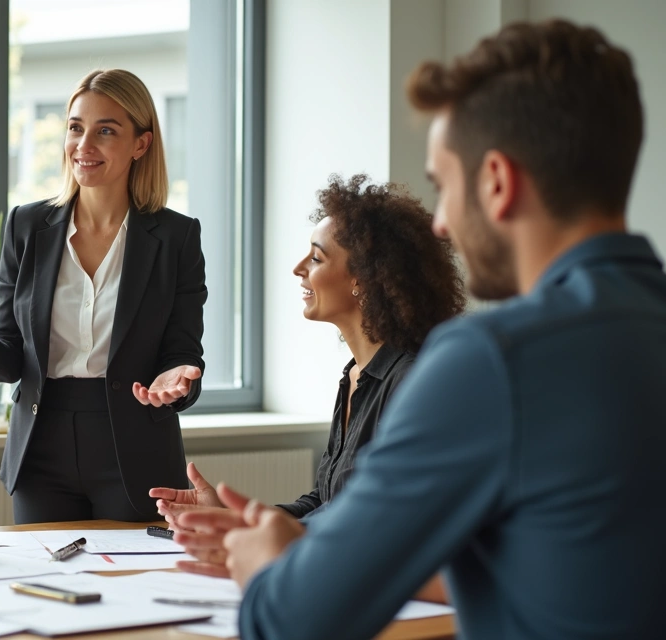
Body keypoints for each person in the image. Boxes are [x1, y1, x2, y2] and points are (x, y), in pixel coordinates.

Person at [200, 20, 666, 639]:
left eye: (443, 187)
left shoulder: (490, 360)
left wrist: (270, 565)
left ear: (498, 183)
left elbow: (289, 621)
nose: (442, 225)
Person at [0, 68, 208, 523]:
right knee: (42, 584)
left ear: (141, 144)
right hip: (41, 448)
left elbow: (181, 352)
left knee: (134, 585)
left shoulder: (177, 237)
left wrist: (178, 379)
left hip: (136, 448)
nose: (84, 146)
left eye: (106, 131)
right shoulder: (27, 228)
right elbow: (10, 356)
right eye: (75, 128)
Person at [152, 175, 464, 601]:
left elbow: (383, 525)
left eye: (316, 259)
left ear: (364, 279)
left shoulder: (412, 381)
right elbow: (324, 503)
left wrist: (254, 529)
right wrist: (232, 514)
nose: (299, 268)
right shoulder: (354, 375)